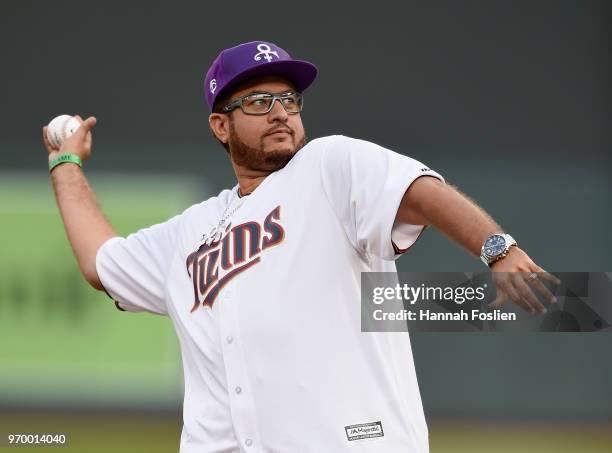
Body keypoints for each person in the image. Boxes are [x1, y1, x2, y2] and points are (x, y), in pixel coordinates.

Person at [43, 41, 559, 453]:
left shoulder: (328, 166)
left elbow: (419, 191)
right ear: (221, 126)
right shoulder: (189, 231)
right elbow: (99, 262)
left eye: (289, 100)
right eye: (259, 102)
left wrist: (496, 247)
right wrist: (66, 166)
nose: (280, 113)